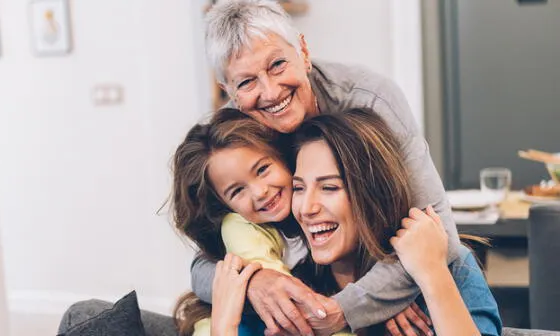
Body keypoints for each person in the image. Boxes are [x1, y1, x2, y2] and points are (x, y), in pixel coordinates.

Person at [190, 1, 462, 335]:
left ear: (303, 52)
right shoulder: (237, 136)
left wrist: (347, 307)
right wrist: (256, 281)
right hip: (318, 280)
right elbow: (203, 265)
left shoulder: (370, 100)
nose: (270, 91)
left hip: (388, 276)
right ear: (228, 91)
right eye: (246, 83)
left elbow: (439, 236)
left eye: (277, 64)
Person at [208, 109, 500, 336]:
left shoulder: (451, 268)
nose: (306, 208)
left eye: (330, 187)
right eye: (299, 188)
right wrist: (223, 326)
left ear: (373, 194)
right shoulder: (299, 288)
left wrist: (432, 275)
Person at [170, 107, 354, 336]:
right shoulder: (240, 229)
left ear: (283, 157)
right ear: (224, 206)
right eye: (237, 191)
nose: (259, 192)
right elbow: (292, 307)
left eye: (263, 169)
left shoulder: (324, 215)